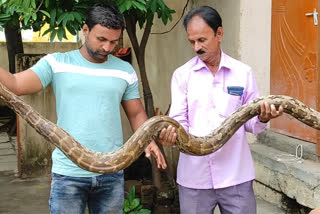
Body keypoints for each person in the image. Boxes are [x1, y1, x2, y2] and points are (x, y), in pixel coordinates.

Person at [0, 3, 174, 214]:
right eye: (101, 39)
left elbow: (136, 113)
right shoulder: (57, 63)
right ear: (85, 30)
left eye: (113, 41)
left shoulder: (125, 71)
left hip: (111, 171)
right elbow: (15, 85)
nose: (108, 48)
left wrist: (148, 140)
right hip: (68, 174)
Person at [167, 6, 284, 214]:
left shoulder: (243, 73)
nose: (196, 47)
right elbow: (178, 121)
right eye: (192, 42)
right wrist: (172, 134)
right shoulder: (182, 75)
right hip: (194, 177)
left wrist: (263, 118)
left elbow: (251, 124)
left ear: (219, 34)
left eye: (202, 40)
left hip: (235, 175)